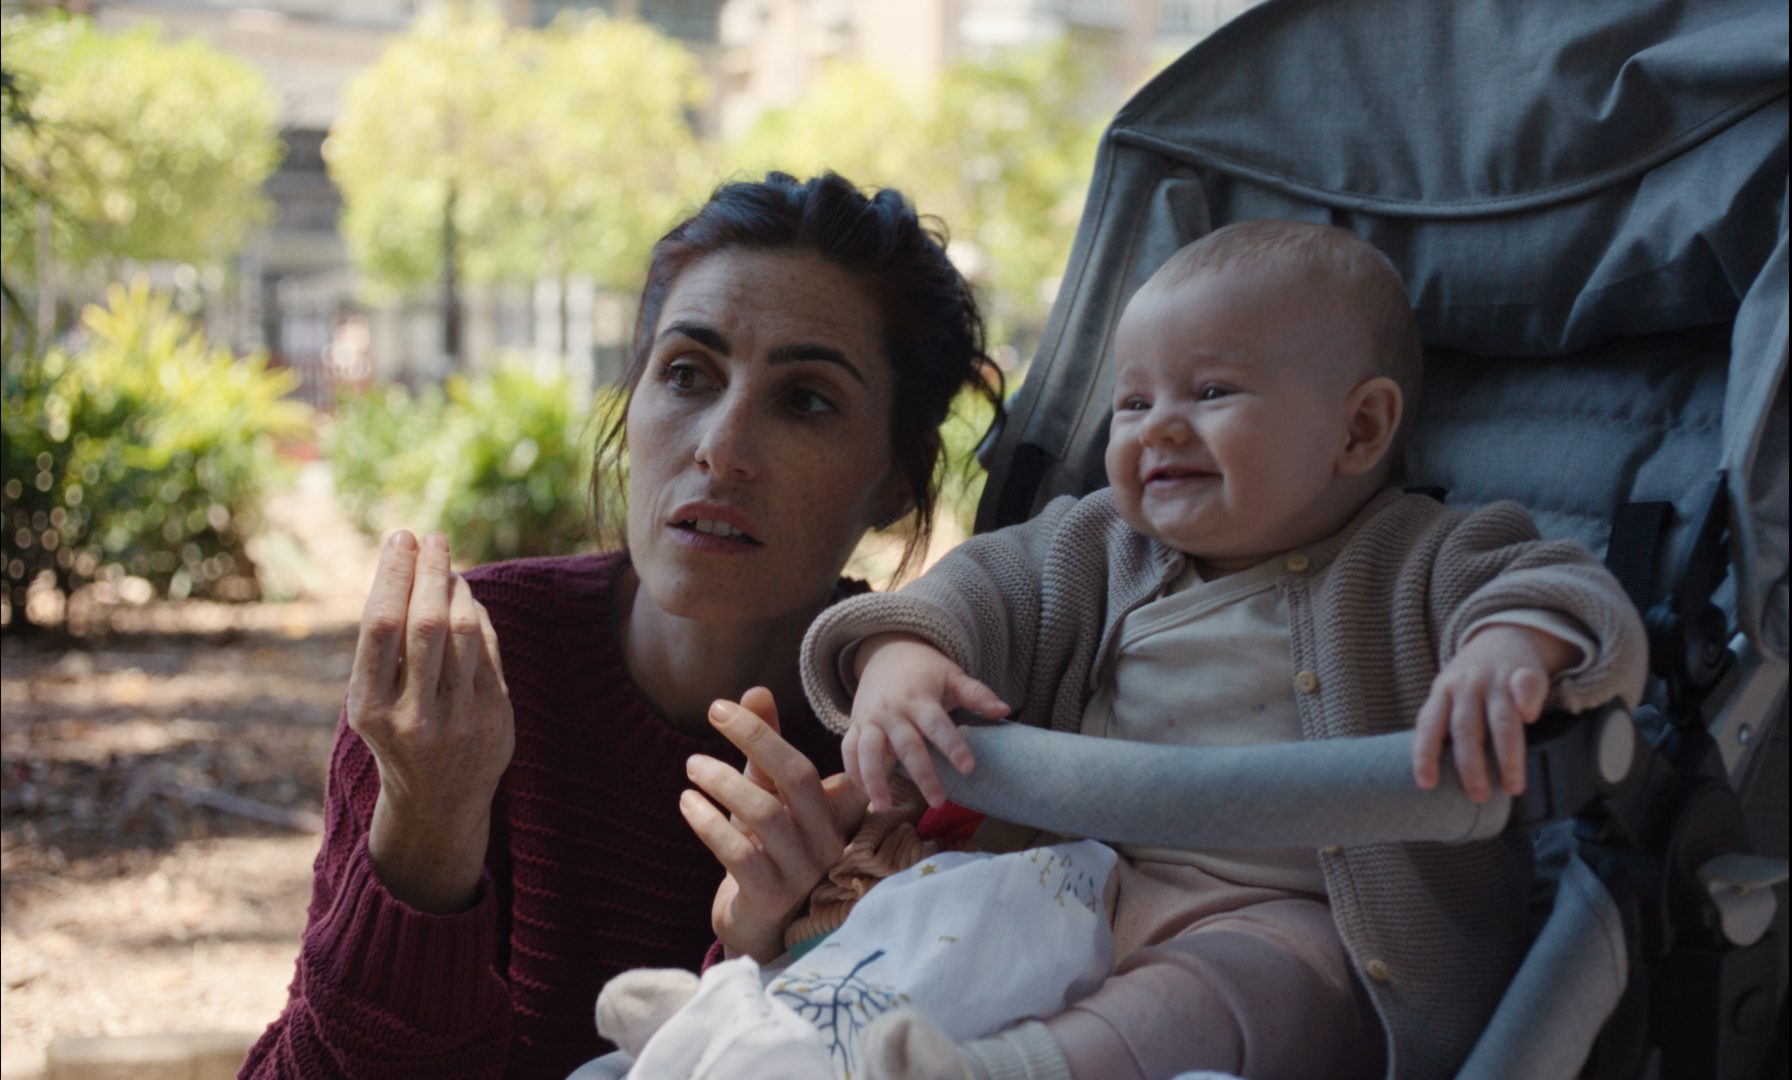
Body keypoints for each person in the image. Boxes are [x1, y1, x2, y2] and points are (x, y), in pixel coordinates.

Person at [602, 220, 1649, 1080]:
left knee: (1215, 993)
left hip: (1302, 924)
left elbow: (1557, 588)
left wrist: (1509, 653)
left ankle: (1002, 1072)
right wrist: (904, 661)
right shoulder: (1103, 544)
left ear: (1359, 432)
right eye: (1134, 400)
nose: (1157, 429)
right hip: (1085, 881)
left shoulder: (1423, 558)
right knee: (946, 911)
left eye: (1212, 393)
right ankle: (747, 1034)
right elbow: (980, 589)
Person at [239, 171, 1003, 1080]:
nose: (721, 445)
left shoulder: (910, 750)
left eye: (806, 399)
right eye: (687, 374)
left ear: (899, 479)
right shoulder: (472, 671)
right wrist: (426, 837)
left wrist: (765, 955)